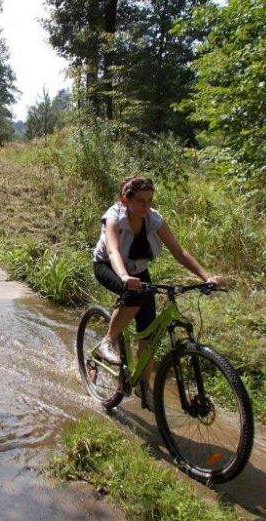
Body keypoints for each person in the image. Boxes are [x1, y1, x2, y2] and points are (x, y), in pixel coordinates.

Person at [92, 176, 224, 412]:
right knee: (134, 295)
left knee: (149, 328)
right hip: (108, 266)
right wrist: (124, 278)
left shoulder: (153, 219)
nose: (146, 206)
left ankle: (143, 385)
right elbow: (112, 250)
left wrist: (206, 276)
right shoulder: (114, 217)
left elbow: (179, 252)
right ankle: (108, 341)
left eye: (150, 200)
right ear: (125, 200)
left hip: (138, 271)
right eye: (140, 200)